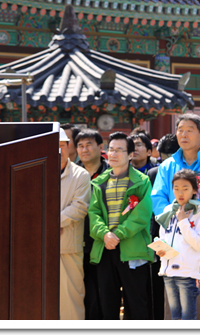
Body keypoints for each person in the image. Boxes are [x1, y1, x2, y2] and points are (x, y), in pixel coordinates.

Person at [151, 113, 200, 320]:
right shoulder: (166, 166)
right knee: (174, 301)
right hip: (173, 242)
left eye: (189, 130)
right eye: (180, 130)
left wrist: (191, 226)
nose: (183, 134)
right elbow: (158, 199)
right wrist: (177, 224)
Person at [88, 132, 154, 320]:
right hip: (105, 247)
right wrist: (105, 235)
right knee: (107, 303)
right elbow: (93, 214)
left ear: (130, 155)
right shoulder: (99, 182)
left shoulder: (142, 181)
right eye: (111, 149)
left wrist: (117, 234)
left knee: (136, 303)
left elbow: (142, 214)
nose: (113, 154)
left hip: (131, 248)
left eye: (119, 150)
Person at [155, 169, 200, 320]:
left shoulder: (199, 211)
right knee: (175, 316)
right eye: (176, 188)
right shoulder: (168, 210)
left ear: (194, 190)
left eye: (185, 188)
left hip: (187, 273)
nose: (180, 193)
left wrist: (183, 221)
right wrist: (160, 248)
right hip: (168, 272)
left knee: (187, 317)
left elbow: (198, 244)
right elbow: (163, 237)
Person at [74, 129, 108, 319]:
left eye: (89, 145)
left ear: (100, 147)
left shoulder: (111, 173)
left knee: (103, 290)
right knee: (80, 289)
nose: (84, 149)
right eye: (80, 145)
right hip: (77, 239)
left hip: (103, 241)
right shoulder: (70, 172)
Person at [58, 128, 91, 320]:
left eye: (62, 146)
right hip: (41, 247)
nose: (59, 150)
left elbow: (79, 207)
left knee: (72, 300)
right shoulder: (38, 170)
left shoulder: (81, 175)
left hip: (68, 246)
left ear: (69, 147)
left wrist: (49, 223)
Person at [147, 132, 180, 320]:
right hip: (170, 235)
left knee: (162, 280)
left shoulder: (154, 171)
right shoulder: (157, 172)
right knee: (171, 280)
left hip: (158, 235)